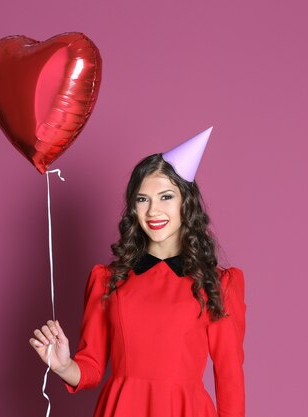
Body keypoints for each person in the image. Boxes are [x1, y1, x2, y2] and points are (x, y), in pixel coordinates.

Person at [29, 128, 246, 417]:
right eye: (143, 199)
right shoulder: (107, 280)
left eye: (166, 197)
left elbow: (230, 380)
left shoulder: (218, 284)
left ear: (187, 203)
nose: (153, 210)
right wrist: (64, 366)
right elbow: (92, 367)